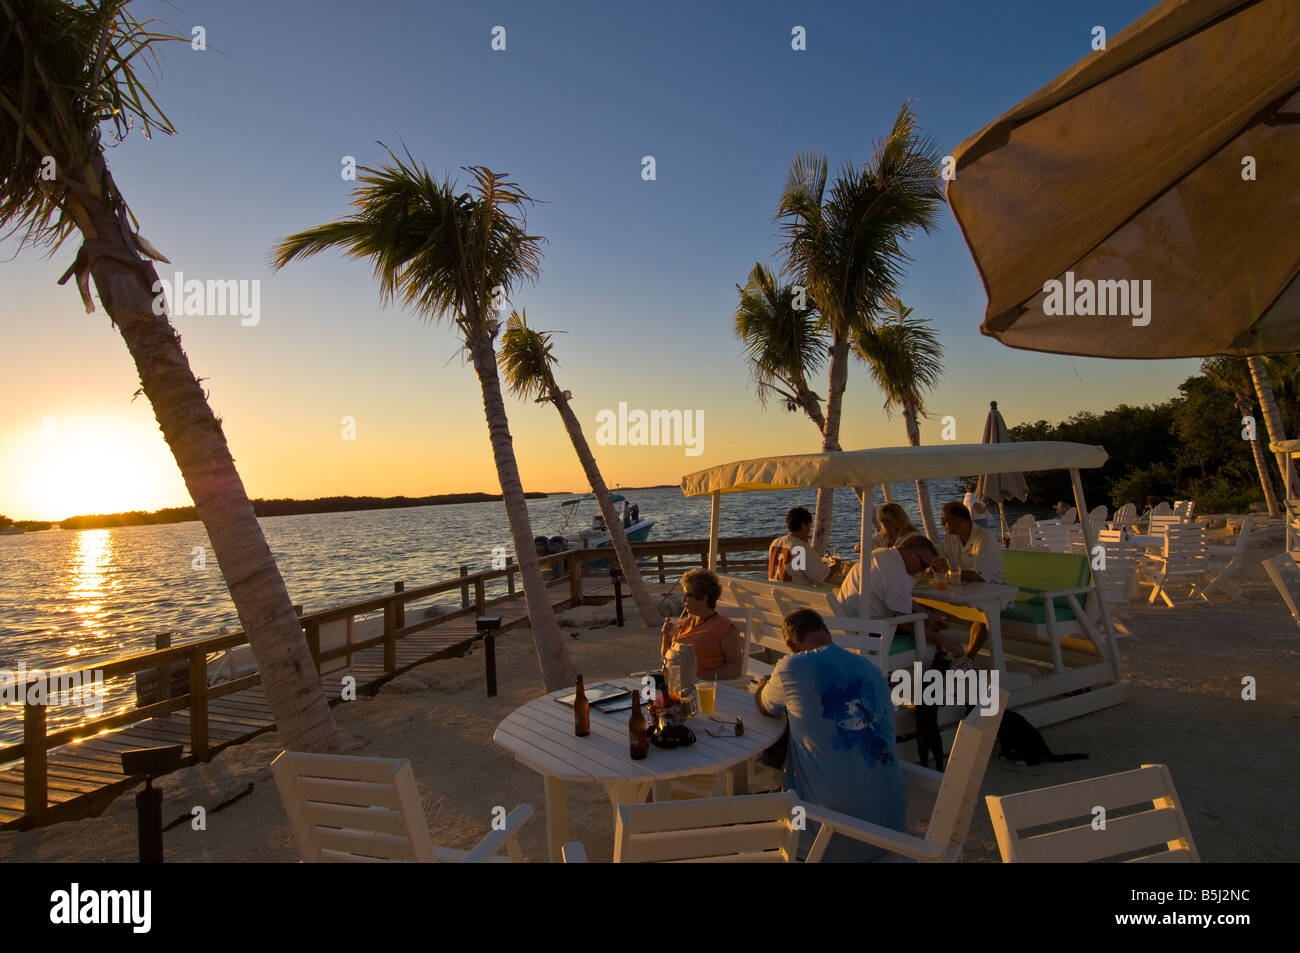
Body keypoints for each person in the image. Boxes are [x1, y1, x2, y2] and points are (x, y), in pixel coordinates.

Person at [754, 608, 907, 861]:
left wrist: (762, 686)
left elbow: (766, 706)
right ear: (827, 633)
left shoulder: (793, 666)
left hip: (832, 834)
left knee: (761, 821)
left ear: (791, 645)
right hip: (891, 826)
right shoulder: (871, 669)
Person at [832, 536, 968, 659]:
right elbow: (907, 624)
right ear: (910, 553)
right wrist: (948, 643)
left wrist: (929, 616)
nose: (923, 570)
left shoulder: (879, 554)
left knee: (925, 616)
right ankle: (933, 669)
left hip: (846, 629)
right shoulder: (898, 576)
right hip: (868, 635)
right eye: (924, 565)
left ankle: (939, 660)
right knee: (922, 625)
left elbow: (899, 600)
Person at [931, 501, 1006, 663]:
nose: (942, 524)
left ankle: (967, 659)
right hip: (964, 588)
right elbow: (942, 560)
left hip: (993, 590)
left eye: (945, 521)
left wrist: (950, 572)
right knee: (926, 607)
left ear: (959, 521)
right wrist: (936, 565)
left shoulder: (985, 539)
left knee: (983, 612)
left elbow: (980, 576)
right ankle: (939, 654)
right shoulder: (950, 538)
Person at [660, 568, 744, 679]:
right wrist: (666, 635)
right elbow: (666, 657)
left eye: (688, 595)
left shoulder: (723, 627)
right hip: (675, 682)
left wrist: (704, 679)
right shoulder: (683, 624)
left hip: (703, 687)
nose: (683, 599)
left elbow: (736, 667)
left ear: (703, 599)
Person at [768, 506, 841, 586]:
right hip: (797, 596)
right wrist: (836, 565)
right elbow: (822, 575)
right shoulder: (801, 548)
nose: (809, 530)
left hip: (778, 593)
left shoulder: (775, 543)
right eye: (809, 526)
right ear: (803, 525)